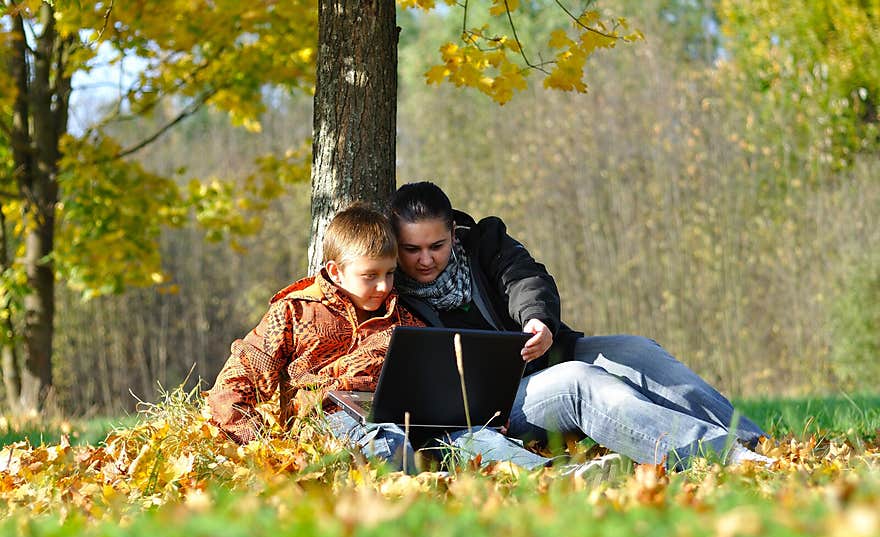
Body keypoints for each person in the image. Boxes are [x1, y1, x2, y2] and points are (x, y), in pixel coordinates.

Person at [388, 181, 775, 471]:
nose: (425, 260)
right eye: (412, 250)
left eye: (435, 246)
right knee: (578, 380)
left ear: (453, 235)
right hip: (497, 407)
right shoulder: (389, 293)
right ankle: (719, 456)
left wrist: (537, 320)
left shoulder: (484, 241)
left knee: (637, 350)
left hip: (545, 354)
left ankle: (758, 444)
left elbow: (524, 277)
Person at [204, 201, 544, 474]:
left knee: (476, 438)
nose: (383, 286)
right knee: (386, 439)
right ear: (336, 271)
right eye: (370, 276)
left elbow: (437, 387)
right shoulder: (294, 312)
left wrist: (473, 415)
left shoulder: (404, 318)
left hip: (411, 422)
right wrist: (262, 446)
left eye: (390, 273)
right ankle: (415, 491)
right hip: (329, 418)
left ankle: (552, 476)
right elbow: (235, 382)